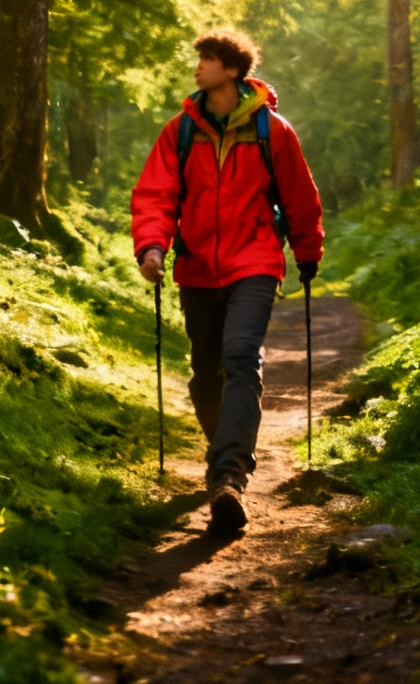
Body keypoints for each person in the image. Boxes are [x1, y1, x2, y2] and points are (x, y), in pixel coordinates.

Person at [129, 29, 323, 534]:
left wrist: (307, 252)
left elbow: (300, 197)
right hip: (197, 267)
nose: (198, 67)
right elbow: (155, 194)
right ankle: (223, 452)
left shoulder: (272, 131)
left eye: (208, 59)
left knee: (241, 358)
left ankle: (228, 476)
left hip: (255, 262)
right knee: (206, 372)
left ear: (232, 70)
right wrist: (152, 247)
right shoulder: (180, 131)